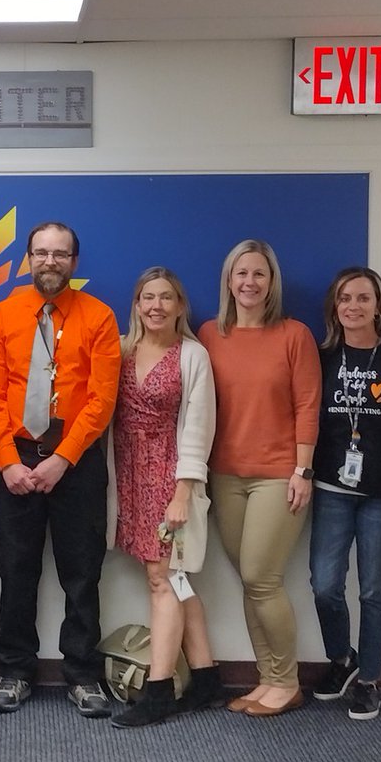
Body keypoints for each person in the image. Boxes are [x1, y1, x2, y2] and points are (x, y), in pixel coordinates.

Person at [0, 221, 121, 718]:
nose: (50, 262)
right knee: (15, 571)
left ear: (74, 262)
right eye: (41, 253)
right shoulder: (2, 315)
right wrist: (8, 461)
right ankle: (15, 670)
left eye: (61, 254)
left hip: (75, 461)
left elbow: (102, 399)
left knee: (81, 574)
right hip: (16, 457)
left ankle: (83, 675)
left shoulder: (99, 317)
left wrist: (64, 458)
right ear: (27, 259)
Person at [197, 239, 320, 718]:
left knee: (260, 577)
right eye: (241, 274)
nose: (249, 282)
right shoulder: (209, 334)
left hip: (278, 477)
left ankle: (286, 681)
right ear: (229, 281)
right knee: (251, 583)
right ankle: (267, 679)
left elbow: (308, 405)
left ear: (272, 283)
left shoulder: (295, 335)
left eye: (259, 274)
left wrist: (302, 469)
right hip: (224, 476)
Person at [109, 268, 223, 729]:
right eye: (147, 298)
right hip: (128, 477)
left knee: (162, 580)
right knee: (172, 580)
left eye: (166, 298)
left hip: (169, 478)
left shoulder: (193, 356)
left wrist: (183, 493)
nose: (156, 306)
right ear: (136, 304)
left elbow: (199, 427)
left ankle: (158, 691)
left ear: (180, 306)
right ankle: (207, 678)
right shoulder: (120, 349)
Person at [309, 267, 381, 721]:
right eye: (344, 298)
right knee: (324, 585)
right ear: (334, 307)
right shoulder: (321, 356)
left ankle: (370, 679)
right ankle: (343, 659)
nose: (353, 306)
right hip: (332, 488)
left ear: (379, 305)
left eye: (363, 298)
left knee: (374, 590)